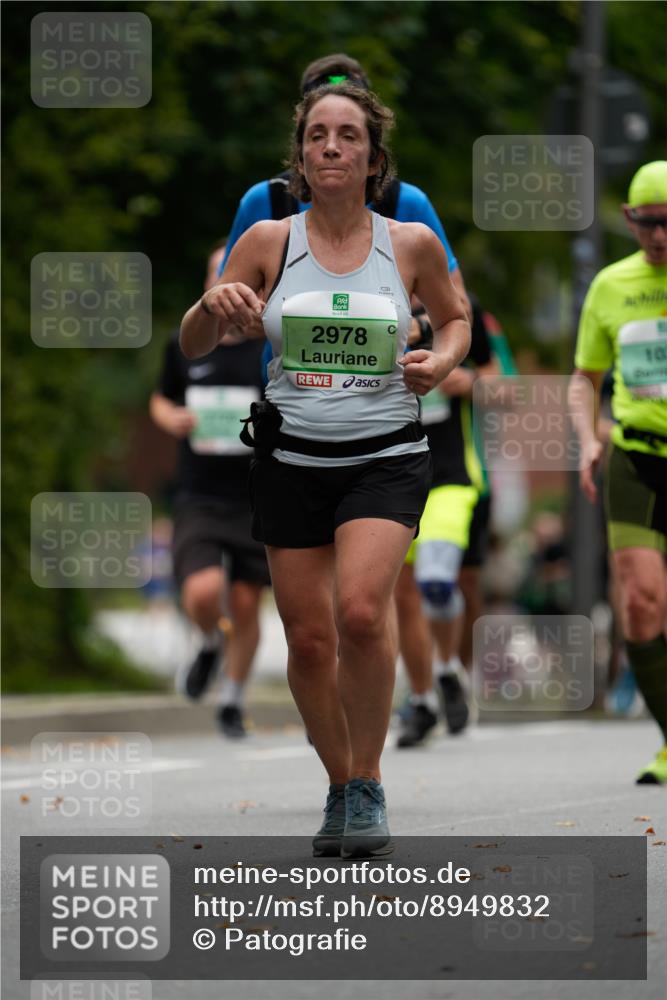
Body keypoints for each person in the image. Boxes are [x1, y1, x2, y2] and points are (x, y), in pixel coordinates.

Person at [181, 83, 470, 855]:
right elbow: (192, 344)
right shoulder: (269, 241)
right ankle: (339, 783)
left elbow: (455, 317)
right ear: (301, 157)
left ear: (373, 158)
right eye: (318, 136)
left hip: (384, 457)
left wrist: (438, 361)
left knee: (363, 613)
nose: (332, 147)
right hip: (289, 459)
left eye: (348, 136)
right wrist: (215, 306)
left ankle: (369, 781)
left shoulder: (406, 242)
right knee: (307, 641)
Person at [220, 54, 468, 307]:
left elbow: (458, 310)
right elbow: (221, 303)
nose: (332, 147)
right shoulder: (265, 200)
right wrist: (246, 315)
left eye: (347, 133)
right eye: (320, 130)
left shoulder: (407, 202)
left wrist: (415, 327)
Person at [569, 160, 667, 784]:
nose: (658, 236)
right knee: (639, 604)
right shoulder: (609, 287)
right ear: (629, 220)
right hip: (635, 455)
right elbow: (585, 378)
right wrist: (586, 439)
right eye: (647, 223)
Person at [150, 244, 270, 738]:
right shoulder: (184, 345)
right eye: (215, 272)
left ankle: (233, 700)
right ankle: (207, 642)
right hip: (199, 492)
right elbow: (160, 398)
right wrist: (171, 418)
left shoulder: (268, 347)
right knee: (203, 592)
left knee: (245, 603)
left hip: (255, 493)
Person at [394, 295, 496, 747]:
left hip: (449, 476)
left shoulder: (456, 310)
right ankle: (421, 700)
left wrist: (468, 380)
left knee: (436, 583)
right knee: (402, 596)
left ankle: (446, 669)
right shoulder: (368, 302)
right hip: (386, 473)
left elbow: (499, 380)